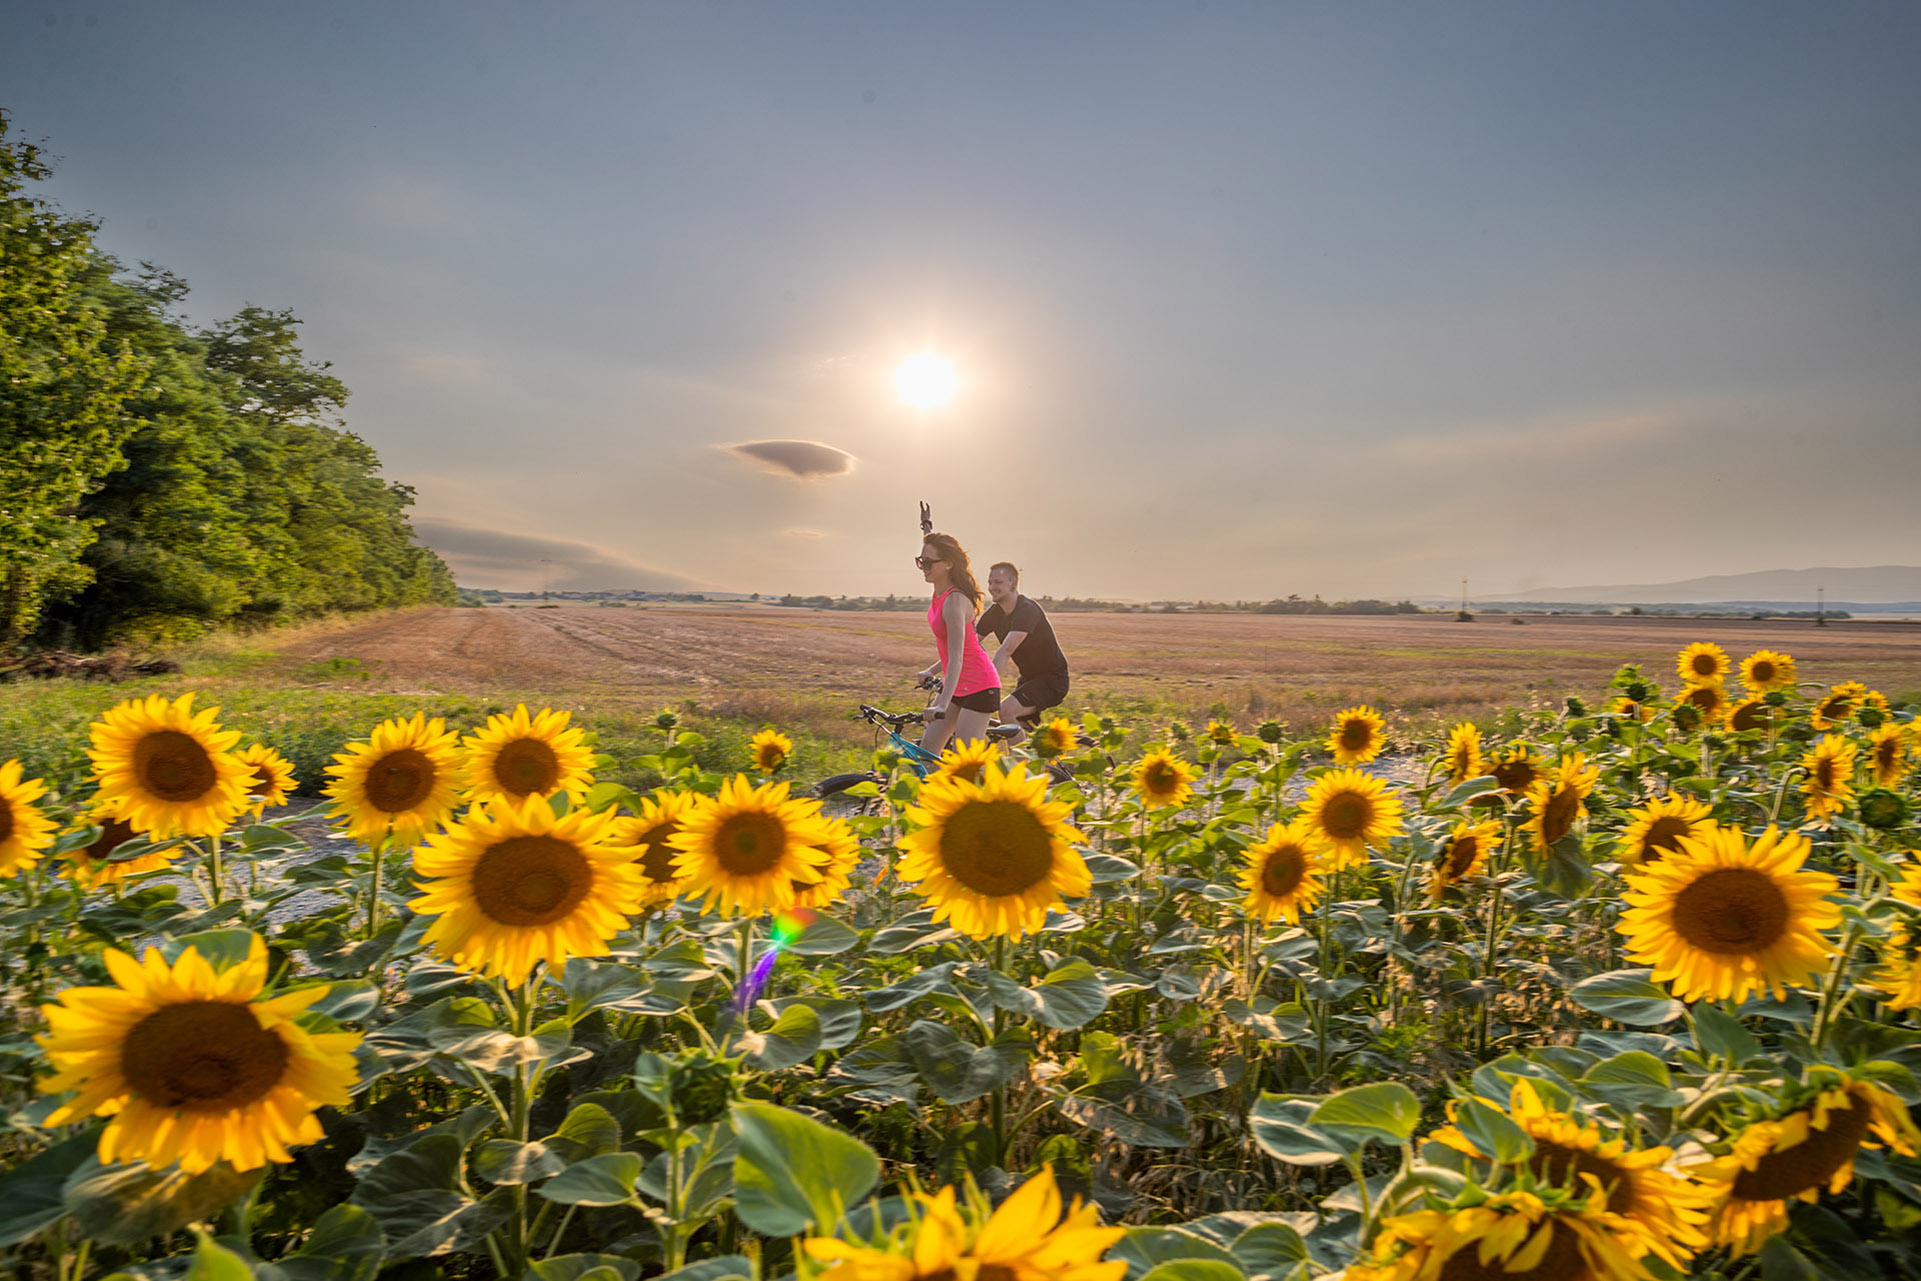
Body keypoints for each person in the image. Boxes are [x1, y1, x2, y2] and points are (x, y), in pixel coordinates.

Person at [913, 532, 1001, 754]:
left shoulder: (954, 602)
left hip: (980, 686)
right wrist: (931, 670)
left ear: (948, 565)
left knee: (964, 764)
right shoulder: (939, 592)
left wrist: (942, 703)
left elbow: (957, 657)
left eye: (928, 563)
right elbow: (953, 652)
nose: (924, 567)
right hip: (956, 685)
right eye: (921, 561)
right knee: (927, 756)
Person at [977, 562, 1070, 740]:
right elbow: (968, 645)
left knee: (1005, 711)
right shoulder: (995, 613)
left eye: (998, 582)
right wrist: (935, 671)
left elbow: (1005, 650)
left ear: (1013, 583)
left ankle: (1023, 767)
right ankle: (1042, 762)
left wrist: (986, 684)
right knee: (1018, 728)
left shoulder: (1027, 610)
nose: (992, 587)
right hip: (1028, 680)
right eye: (990, 582)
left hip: (1052, 680)